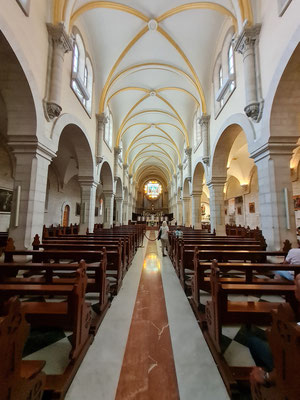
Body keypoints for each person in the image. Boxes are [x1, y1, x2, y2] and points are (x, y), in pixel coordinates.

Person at [249, 274, 300, 387]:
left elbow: (294, 363)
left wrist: (267, 377)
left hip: (291, 371)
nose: (294, 288)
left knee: (253, 341)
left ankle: (267, 383)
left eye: (296, 287)